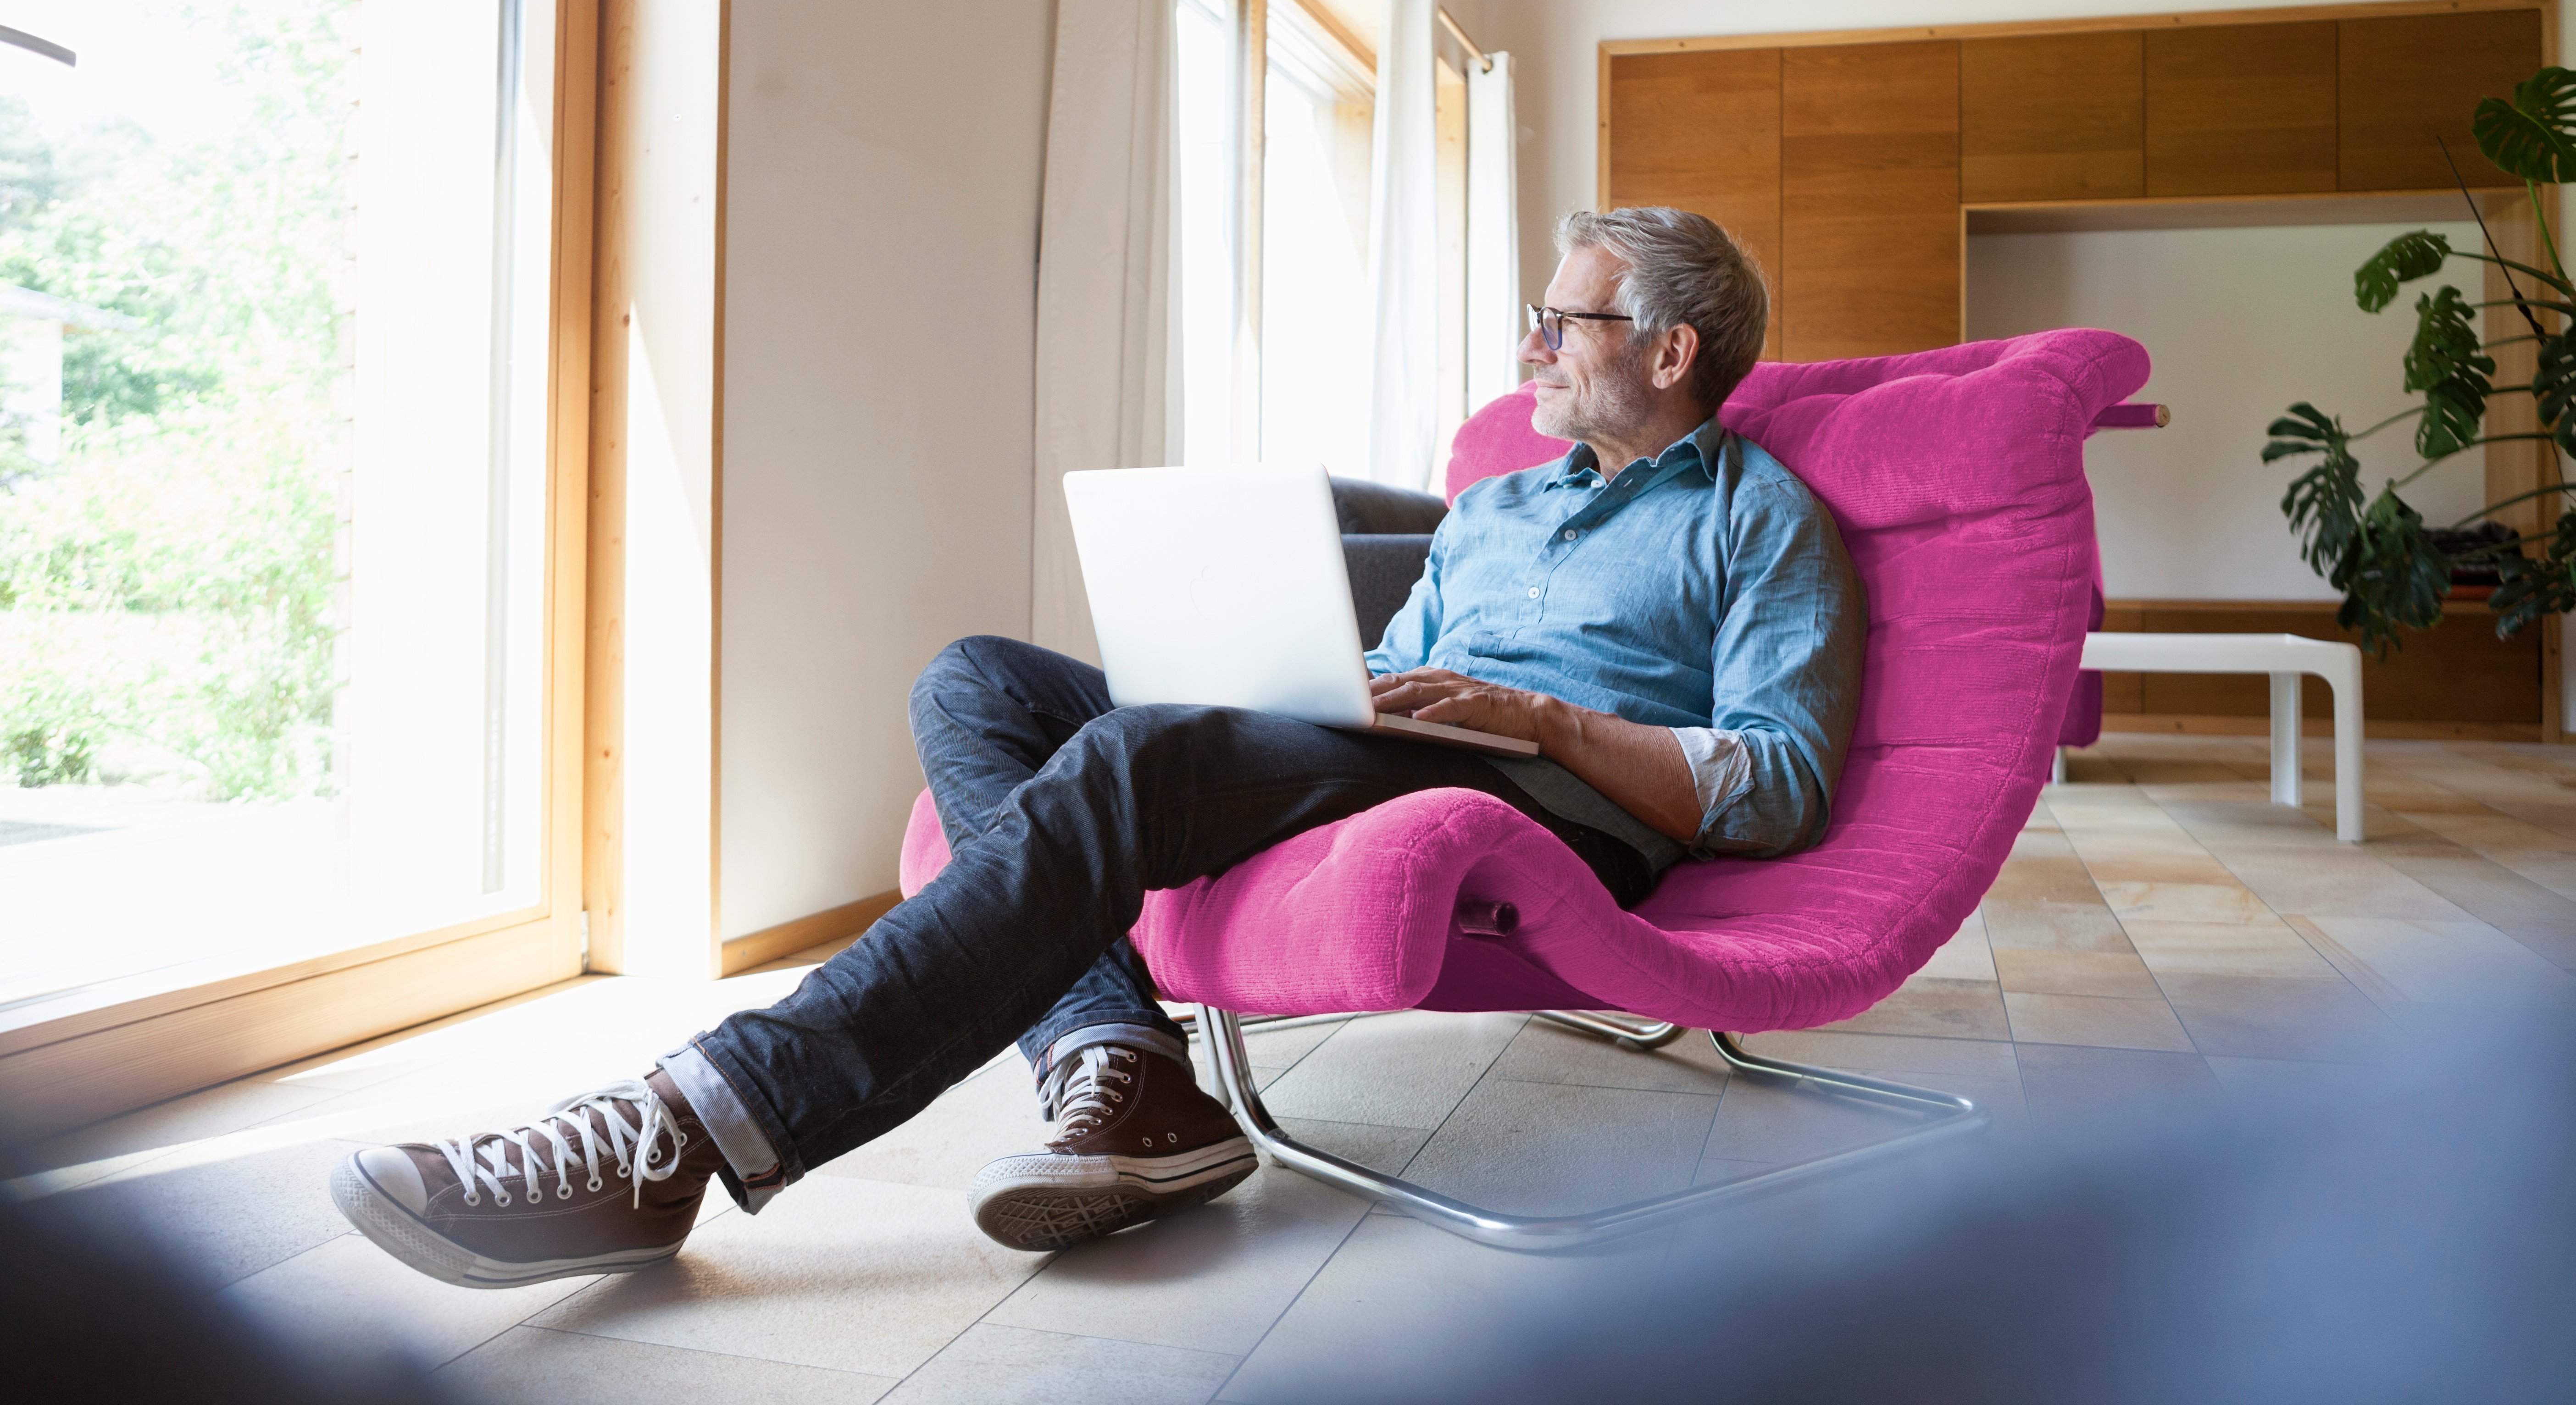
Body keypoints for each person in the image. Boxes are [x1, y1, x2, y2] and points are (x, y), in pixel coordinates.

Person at [328, 206, 1866, 1289]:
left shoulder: (1759, 519)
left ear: (1671, 352)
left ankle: (683, 1133)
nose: (1529, 341)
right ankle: (1121, 1057)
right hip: (1410, 744)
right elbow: (1404, 669)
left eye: (1564, 316)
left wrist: (1541, 718)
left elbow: (1778, 784)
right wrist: (1334, 684)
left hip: (1550, 797)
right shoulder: (1499, 503)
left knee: (1133, 760)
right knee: (981, 681)